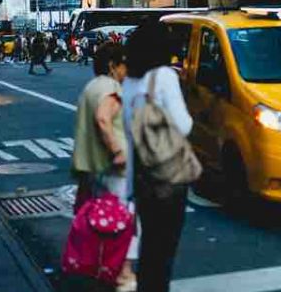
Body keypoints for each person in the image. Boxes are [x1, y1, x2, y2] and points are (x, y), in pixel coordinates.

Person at [122, 21, 193, 292]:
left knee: (150, 247)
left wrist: (128, 188)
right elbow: (183, 125)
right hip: (168, 177)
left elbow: (128, 133)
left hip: (141, 179)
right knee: (163, 252)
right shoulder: (164, 76)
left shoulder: (129, 80)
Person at [70, 42, 137, 292]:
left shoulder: (91, 87)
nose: (126, 70)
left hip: (94, 167)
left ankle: (106, 268)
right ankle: (124, 273)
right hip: (114, 168)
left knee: (104, 220)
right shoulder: (110, 87)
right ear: (113, 65)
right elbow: (103, 118)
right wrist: (118, 150)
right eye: (123, 64)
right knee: (124, 220)